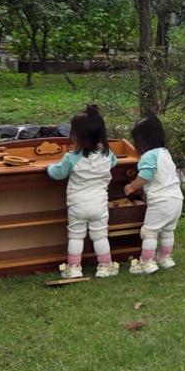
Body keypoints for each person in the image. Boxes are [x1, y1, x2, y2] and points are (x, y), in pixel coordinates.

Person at [48, 105, 120, 279]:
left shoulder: (71, 158)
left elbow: (57, 173)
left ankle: (73, 268)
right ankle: (105, 266)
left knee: (76, 236)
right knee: (101, 236)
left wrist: (49, 167)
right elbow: (114, 163)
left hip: (77, 205)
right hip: (99, 205)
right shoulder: (107, 154)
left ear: (76, 135)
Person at [124, 114, 184, 275]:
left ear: (142, 141)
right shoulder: (165, 152)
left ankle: (147, 262)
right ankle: (165, 258)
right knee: (168, 231)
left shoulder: (148, 156)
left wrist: (131, 187)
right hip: (176, 200)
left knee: (149, 232)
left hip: (160, 201)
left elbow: (145, 176)